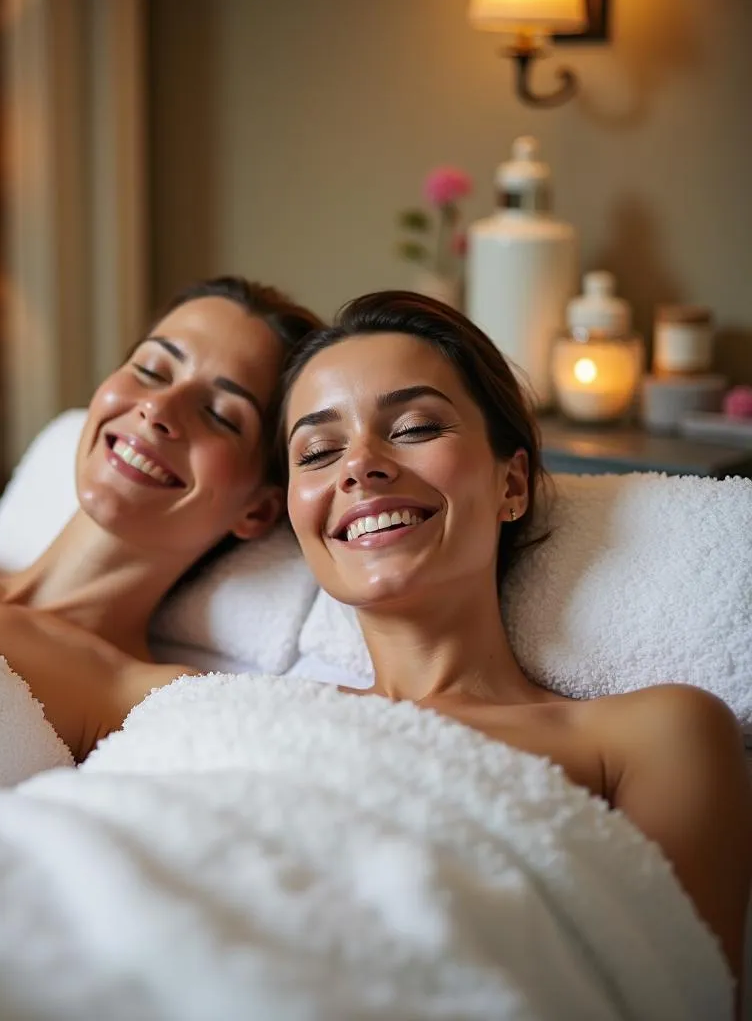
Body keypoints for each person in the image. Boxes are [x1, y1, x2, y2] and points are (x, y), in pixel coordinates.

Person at [280, 290, 752, 989]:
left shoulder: (650, 737)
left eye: (413, 428)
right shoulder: (259, 714)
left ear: (513, 484)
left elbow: (684, 996)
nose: (358, 465)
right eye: (318, 450)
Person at [0, 276, 322, 763]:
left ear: (257, 509)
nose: (157, 408)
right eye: (153, 370)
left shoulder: (138, 697)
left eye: (220, 414)